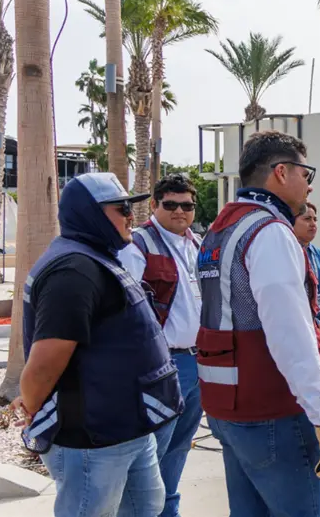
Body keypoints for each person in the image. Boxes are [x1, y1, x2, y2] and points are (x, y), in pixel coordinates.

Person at [15, 173, 183, 517]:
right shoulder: (73, 270)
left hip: (127, 431)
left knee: (145, 507)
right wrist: (34, 408)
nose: (130, 216)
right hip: (94, 438)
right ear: (90, 213)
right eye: (121, 208)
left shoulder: (97, 258)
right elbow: (45, 362)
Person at [196, 131, 320, 517]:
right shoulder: (269, 232)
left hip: (226, 407)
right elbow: (289, 335)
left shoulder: (219, 230)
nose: (308, 184)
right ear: (280, 172)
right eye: (305, 173)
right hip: (273, 409)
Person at [118, 174, 203, 517]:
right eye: (170, 204)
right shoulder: (138, 245)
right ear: (154, 206)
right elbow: (124, 310)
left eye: (187, 205)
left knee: (180, 446)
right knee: (152, 449)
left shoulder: (196, 243)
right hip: (163, 364)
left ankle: (167, 510)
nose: (180, 212)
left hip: (199, 362)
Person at [293, 201, 320, 348]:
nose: (313, 224)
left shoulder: (318, 255)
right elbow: (290, 303)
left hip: (319, 333)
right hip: (298, 333)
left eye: (315, 219)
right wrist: (317, 325)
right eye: (307, 219)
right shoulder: (288, 254)